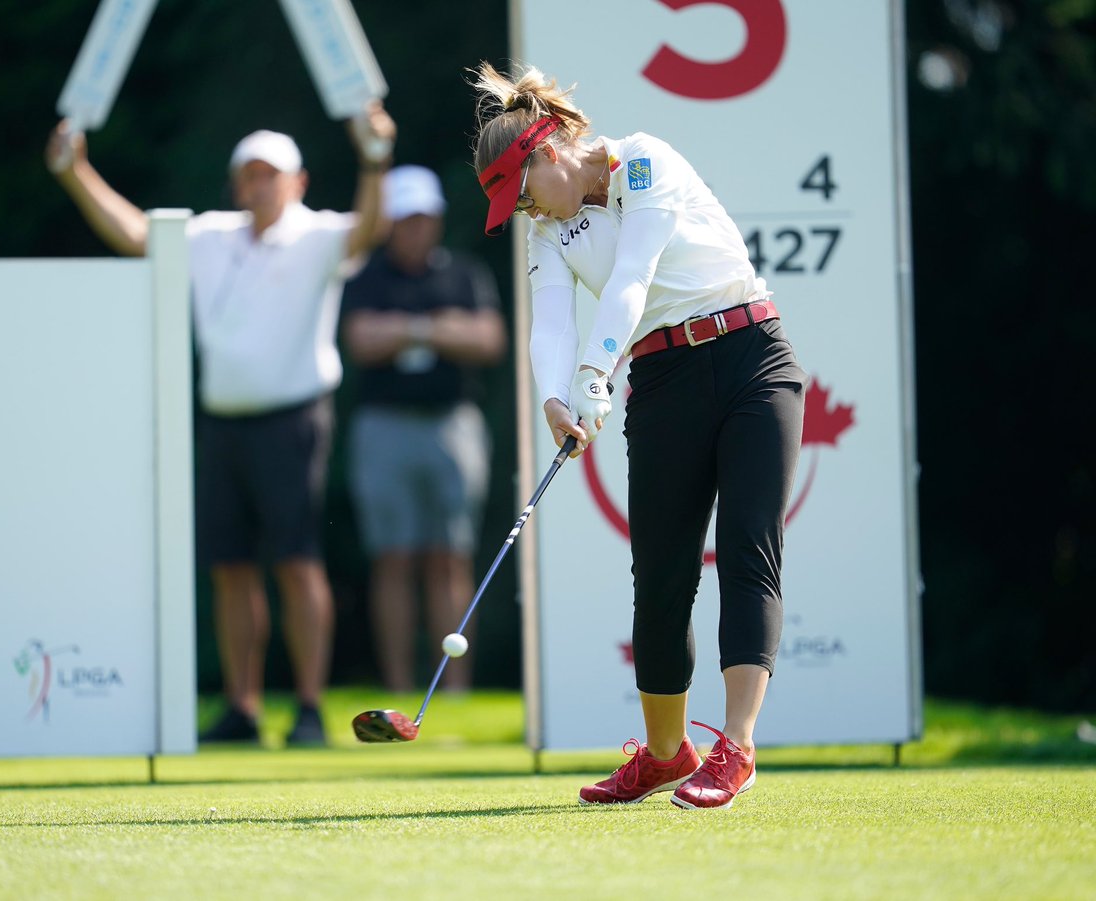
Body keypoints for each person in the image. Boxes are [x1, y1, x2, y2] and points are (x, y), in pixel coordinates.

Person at [470, 63, 806, 809]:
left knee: (750, 545)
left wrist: (594, 374)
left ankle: (737, 747)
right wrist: (558, 396)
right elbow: (549, 323)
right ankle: (665, 753)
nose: (524, 207)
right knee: (661, 574)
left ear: (547, 151)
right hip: (663, 382)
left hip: (753, 357)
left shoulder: (646, 158)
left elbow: (633, 271)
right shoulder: (547, 232)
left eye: (521, 189)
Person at [45, 105, 396, 746]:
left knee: (295, 561)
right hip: (224, 424)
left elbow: (371, 227)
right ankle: (243, 706)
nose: (258, 184)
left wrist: (375, 159)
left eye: (271, 174)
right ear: (237, 182)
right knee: (229, 566)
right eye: (250, 174)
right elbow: (132, 233)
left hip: (295, 420)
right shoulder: (209, 236)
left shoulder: (318, 234)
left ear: (298, 182)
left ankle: (310, 708)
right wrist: (77, 173)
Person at [340, 165, 506, 692]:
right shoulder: (366, 276)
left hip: (452, 425)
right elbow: (360, 341)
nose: (416, 228)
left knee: (449, 558)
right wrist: (441, 329)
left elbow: (488, 340)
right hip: (384, 427)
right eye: (406, 219)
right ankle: (397, 686)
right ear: (389, 222)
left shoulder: (463, 273)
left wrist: (406, 330)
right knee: (393, 559)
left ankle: (452, 692)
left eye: (424, 218)